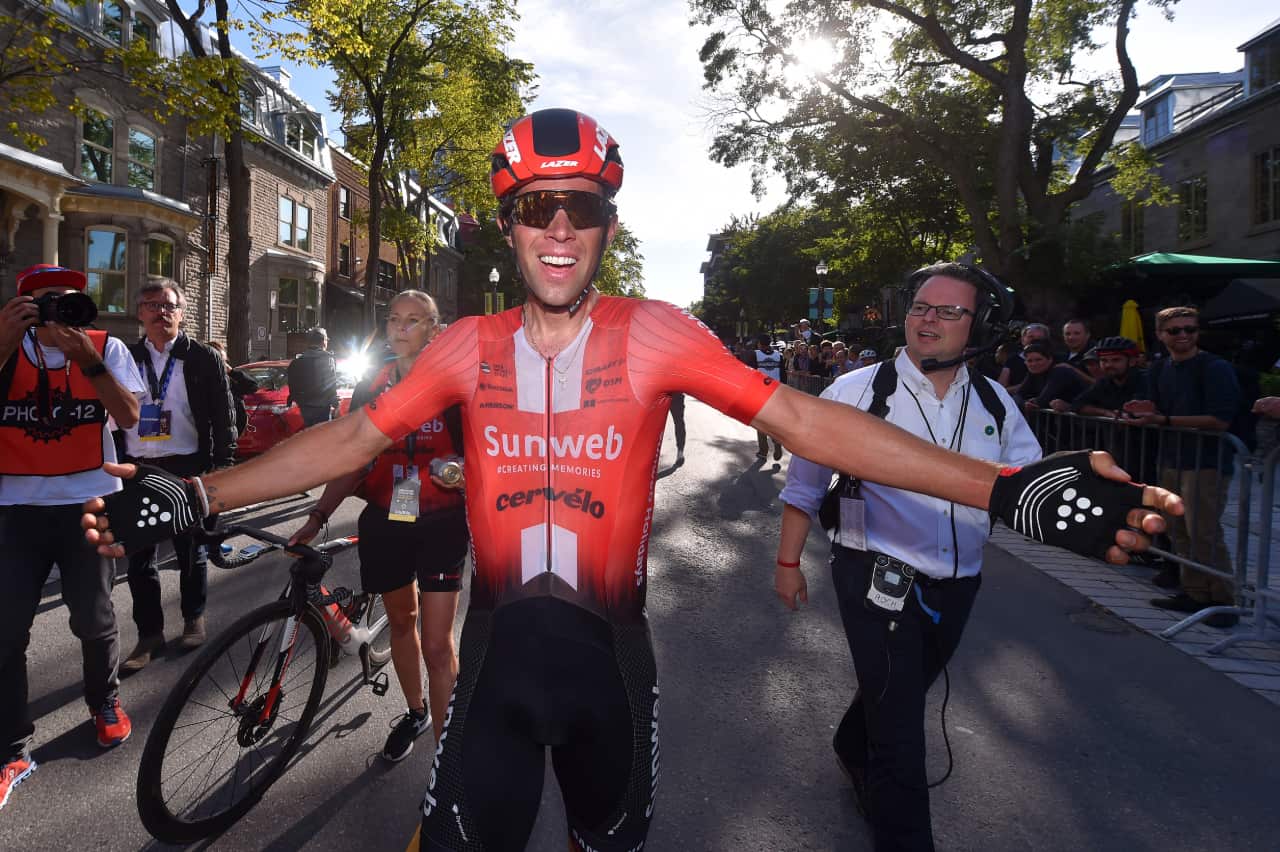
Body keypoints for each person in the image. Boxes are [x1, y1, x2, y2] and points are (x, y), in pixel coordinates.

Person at [82, 109, 1179, 852]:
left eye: (582, 207)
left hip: (611, 665)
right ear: (507, 226)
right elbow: (346, 441)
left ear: (607, 222)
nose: (559, 229)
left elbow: (809, 423)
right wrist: (199, 495)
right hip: (497, 666)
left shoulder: (658, 334)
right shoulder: (463, 346)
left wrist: (1005, 487)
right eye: (536, 208)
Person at [776, 262, 1042, 851]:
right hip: (872, 573)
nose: (928, 319)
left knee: (903, 687)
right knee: (900, 735)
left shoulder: (996, 403)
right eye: (921, 306)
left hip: (960, 580)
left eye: (949, 311)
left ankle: (851, 743)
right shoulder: (854, 392)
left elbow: (1028, 485)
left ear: (980, 325)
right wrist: (788, 564)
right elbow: (804, 486)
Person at [289, 290, 466, 760]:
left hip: (441, 520)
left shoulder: (454, 385)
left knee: (437, 643)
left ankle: (447, 763)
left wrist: (463, 472)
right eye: (393, 319)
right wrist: (317, 516)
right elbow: (353, 457)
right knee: (402, 622)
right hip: (390, 516)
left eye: (414, 320)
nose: (401, 328)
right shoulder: (374, 384)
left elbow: (487, 454)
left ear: (433, 329)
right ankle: (416, 711)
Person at [0, 265, 144, 810]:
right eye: (44, 302)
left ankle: (104, 701)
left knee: (94, 615)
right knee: (6, 629)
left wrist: (87, 359)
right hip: (15, 506)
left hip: (89, 501)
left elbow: (128, 417)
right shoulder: (6, 345)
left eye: (67, 299)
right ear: (22, 307)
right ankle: (10, 746)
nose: (56, 310)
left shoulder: (104, 347)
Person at [120, 281, 236, 669]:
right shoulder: (125, 357)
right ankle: (149, 635)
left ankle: (193, 617)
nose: (161, 312)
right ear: (140, 313)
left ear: (181, 313)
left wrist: (222, 466)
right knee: (140, 559)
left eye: (169, 306)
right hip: (137, 469)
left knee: (192, 550)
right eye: (152, 305)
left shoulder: (202, 357)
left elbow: (223, 415)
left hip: (187, 467)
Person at [1123, 307, 1240, 628]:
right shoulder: (1161, 369)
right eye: (1175, 330)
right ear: (1161, 335)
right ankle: (1195, 593)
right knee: (1177, 529)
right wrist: (1141, 410)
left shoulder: (1215, 368)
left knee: (1204, 531)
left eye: (1191, 329)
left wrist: (1163, 419)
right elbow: (1157, 408)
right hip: (1171, 458)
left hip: (1207, 462)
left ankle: (1223, 600)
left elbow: (1220, 420)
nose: (1184, 335)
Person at [1070, 337, 1145, 418]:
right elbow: (1077, 404)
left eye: (1116, 360)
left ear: (1132, 362)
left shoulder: (1145, 380)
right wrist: (1105, 412)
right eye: (1103, 360)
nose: (1108, 365)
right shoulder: (1104, 382)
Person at [1015, 341, 1088, 414]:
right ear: (1025, 362)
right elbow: (1018, 395)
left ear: (1050, 359)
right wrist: (1024, 403)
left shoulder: (1060, 371)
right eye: (1029, 361)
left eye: (1038, 360)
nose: (1034, 364)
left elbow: (1043, 400)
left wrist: (1031, 402)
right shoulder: (1033, 373)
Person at [287, 327, 339, 427]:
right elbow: (331, 383)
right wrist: (335, 402)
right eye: (326, 340)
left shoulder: (298, 361)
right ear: (323, 341)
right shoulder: (327, 359)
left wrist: (299, 401)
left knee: (309, 431)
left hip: (305, 406)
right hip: (322, 407)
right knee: (321, 433)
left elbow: (292, 385)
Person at [207, 339, 259, 436]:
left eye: (224, 361)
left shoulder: (229, 380)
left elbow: (252, 386)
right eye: (220, 360)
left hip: (231, 435)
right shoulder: (201, 381)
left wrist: (232, 372)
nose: (223, 364)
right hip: (211, 434)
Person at [751, 333, 785, 460]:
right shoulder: (778, 355)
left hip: (760, 392)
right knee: (773, 421)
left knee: (760, 421)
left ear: (759, 343)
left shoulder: (755, 355)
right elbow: (784, 375)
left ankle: (763, 451)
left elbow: (751, 373)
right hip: (776, 392)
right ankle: (777, 442)